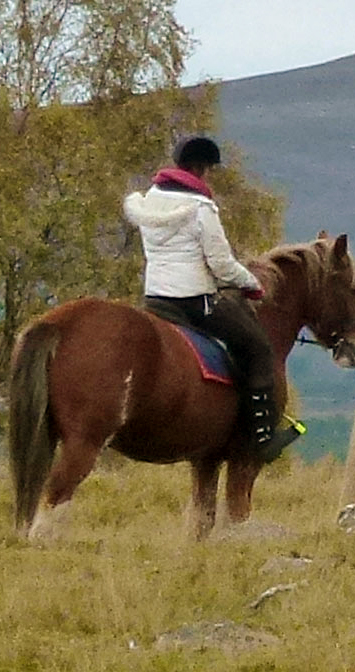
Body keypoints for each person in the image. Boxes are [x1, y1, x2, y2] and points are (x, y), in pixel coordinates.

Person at [124, 135, 301, 462]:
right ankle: (262, 437)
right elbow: (220, 264)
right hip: (194, 302)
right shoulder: (201, 210)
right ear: (199, 168)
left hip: (156, 299)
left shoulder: (150, 201)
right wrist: (251, 284)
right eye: (208, 169)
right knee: (258, 348)